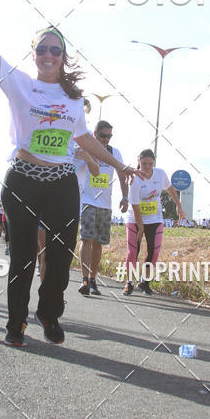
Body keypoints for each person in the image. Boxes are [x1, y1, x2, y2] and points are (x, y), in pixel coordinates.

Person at [0, 0, 137, 345]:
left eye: (55, 50)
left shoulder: (72, 99)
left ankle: (49, 315)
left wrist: (118, 165)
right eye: (42, 49)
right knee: (22, 259)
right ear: (34, 55)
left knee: (61, 258)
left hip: (62, 184)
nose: (48, 55)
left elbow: (82, 137)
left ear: (64, 58)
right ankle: (15, 322)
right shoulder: (19, 83)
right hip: (22, 181)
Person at [123, 149, 184, 295]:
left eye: (150, 163)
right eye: (144, 164)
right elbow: (136, 206)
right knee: (133, 252)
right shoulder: (134, 179)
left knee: (154, 251)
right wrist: (141, 227)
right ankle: (129, 282)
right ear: (138, 162)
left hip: (154, 218)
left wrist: (179, 206)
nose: (147, 167)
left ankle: (144, 282)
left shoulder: (160, 174)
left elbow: (170, 188)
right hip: (134, 218)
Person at [78, 120, 128, 297]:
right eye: (103, 135)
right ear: (95, 134)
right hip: (88, 201)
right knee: (87, 239)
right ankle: (84, 279)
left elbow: (122, 174)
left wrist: (125, 197)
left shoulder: (114, 153)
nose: (106, 139)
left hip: (105, 204)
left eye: (109, 136)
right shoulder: (85, 149)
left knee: (99, 243)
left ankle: (93, 279)